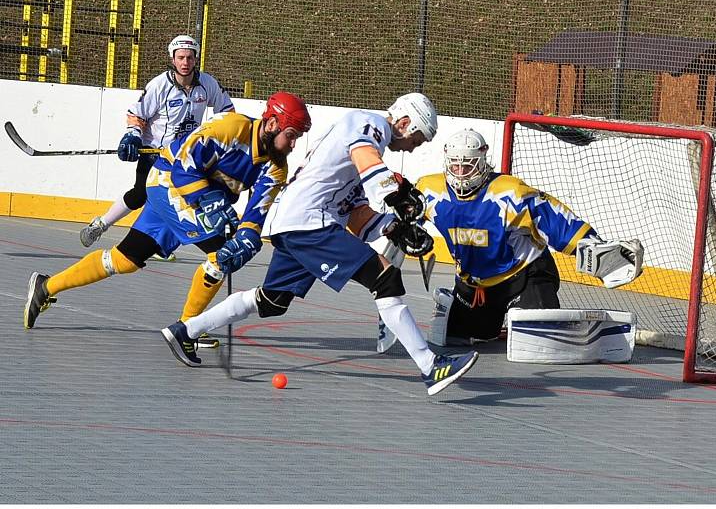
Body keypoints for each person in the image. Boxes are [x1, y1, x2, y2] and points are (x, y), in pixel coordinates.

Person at [161, 92, 479, 396]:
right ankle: (430, 366)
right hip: (309, 222)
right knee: (385, 277)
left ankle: (185, 331)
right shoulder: (373, 126)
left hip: (296, 223)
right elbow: (366, 158)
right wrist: (394, 194)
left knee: (271, 301)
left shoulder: (361, 157)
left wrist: (395, 229)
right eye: (417, 138)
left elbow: (357, 217)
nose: (412, 147)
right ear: (405, 122)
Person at [23, 92, 312, 351]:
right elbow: (184, 170)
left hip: (190, 198)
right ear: (272, 124)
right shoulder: (230, 128)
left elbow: (255, 213)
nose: (293, 143)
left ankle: (46, 286)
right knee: (219, 255)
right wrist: (210, 202)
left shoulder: (276, 168)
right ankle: (187, 328)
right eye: (291, 135)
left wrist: (248, 237)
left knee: (124, 261)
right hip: (168, 184)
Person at [415, 128, 644, 346]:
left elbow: (554, 218)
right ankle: (473, 314)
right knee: (456, 338)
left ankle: (546, 317)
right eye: (455, 166)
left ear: (482, 161)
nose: (461, 174)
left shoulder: (509, 192)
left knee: (542, 340)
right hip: (476, 285)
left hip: (525, 275)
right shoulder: (429, 190)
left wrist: (591, 246)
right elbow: (402, 215)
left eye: (468, 166)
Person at [79, 34, 235, 258]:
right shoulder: (160, 85)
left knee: (185, 198)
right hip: (155, 155)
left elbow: (227, 113)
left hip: (185, 158)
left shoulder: (207, 84)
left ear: (196, 58)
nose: (185, 63)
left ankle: (160, 244)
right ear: (172, 59)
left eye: (189, 58)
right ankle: (100, 225)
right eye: (180, 57)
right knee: (140, 195)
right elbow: (136, 114)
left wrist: (216, 137)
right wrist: (132, 137)